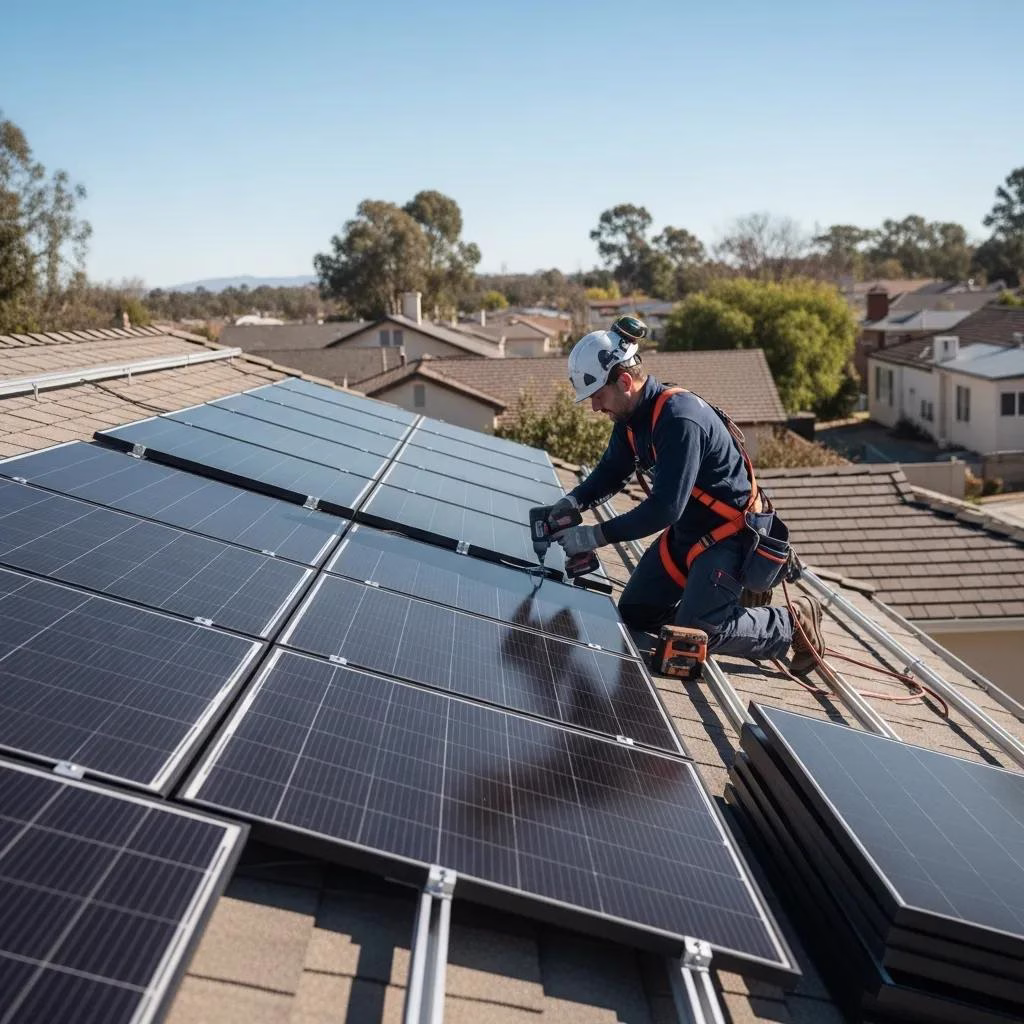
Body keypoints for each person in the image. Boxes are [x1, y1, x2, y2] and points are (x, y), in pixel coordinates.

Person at [548, 320, 825, 674]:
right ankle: (712, 606)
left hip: (730, 539)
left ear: (624, 382)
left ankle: (792, 623)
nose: (595, 408)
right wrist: (571, 503)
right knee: (635, 611)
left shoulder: (680, 419)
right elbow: (608, 473)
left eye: (598, 397)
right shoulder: (632, 422)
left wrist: (594, 536)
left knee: (697, 632)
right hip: (688, 535)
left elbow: (665, 507)